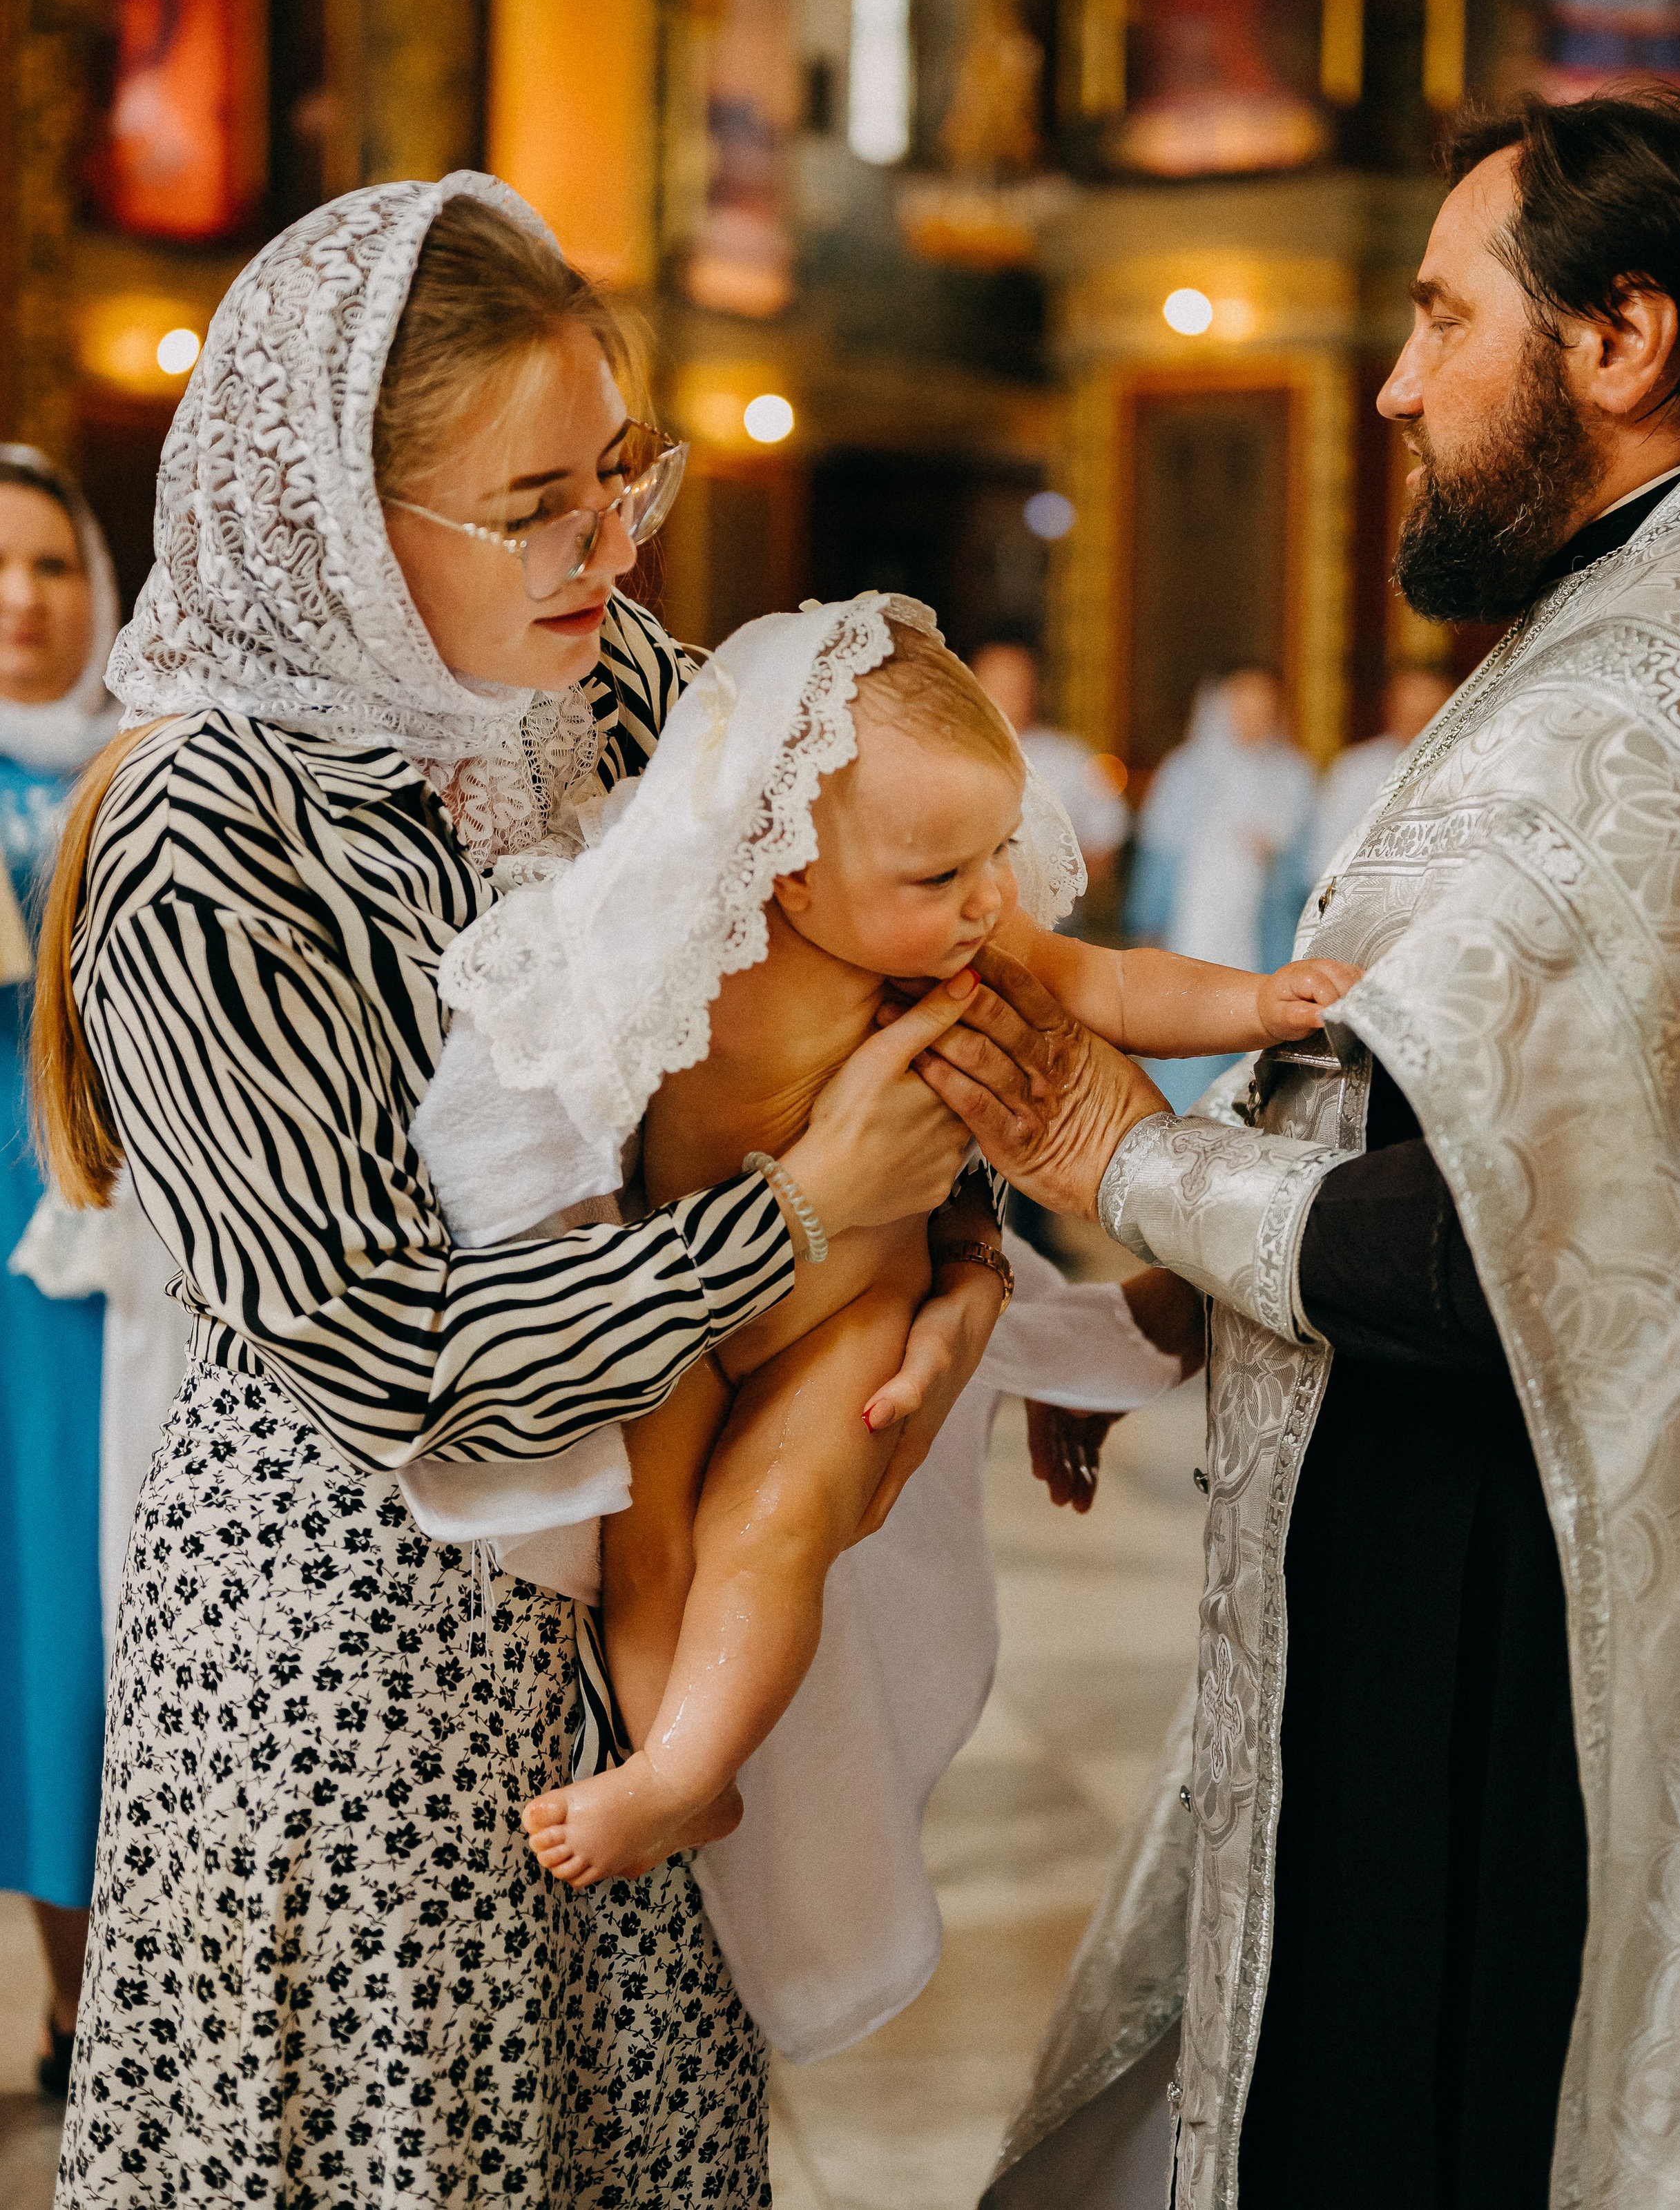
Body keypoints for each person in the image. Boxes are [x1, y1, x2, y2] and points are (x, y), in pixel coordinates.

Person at [35, 176, 1003, 2208]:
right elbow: (388, 1352)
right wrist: (802, 1219)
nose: (610, 546)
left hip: (629, 1599)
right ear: (334, 514)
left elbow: (843, 976)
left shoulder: (631, 698)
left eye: (619, 473)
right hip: (359, 1646)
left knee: (635, 2140)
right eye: (535, 501)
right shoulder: (212, 829)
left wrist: (969, 1257)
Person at [921, 85, 1680, 2210]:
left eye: (1434, 316)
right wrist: (1174, 1297)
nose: (1391, 385)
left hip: (1504, 1616)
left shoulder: (1630, 705)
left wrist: (1118, 1154)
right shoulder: (1642, 627)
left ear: (1619, 336)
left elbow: (1513, 1248)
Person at [410, 594, 1349, 1890]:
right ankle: (655, 1752)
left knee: (771, 1522)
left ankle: (690, 1766)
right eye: (939, 876)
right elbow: (549, 1053)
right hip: (682, 1305)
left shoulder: (951, 947)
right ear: (789, 867)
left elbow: (1120, 986)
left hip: (845, 1324)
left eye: (996, 860)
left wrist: (1255, 1004)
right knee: (648, 1537)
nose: (986, 905)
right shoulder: (687, 941)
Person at [0, 447, 119, 2098]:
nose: (19, 602)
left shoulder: (142, 766)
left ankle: (109, 1989)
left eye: (48, 566)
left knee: (79, 1611)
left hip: (89, 1235)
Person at [1124, 666, 1316, 1112]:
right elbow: (1160, 856)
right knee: (1186, 1030)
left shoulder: (1293, 774)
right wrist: (1150, 927)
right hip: (1194, 930)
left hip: (1267, 931)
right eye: (1242, 706)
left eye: (1263, 708)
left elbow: (1307, 870)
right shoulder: (1186, 771)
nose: (1253, 718)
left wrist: (1273, 857)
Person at [969, 630, 1130, 888]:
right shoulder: (949, 753)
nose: (1004, 700)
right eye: (994, 684)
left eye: (1015, 687)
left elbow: (1105, 841)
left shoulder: (1071, 758)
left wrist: (1051, 880)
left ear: (1035, 688)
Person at [1308, 661, 1455, 875]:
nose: (1419, 725)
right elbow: (1324, 861)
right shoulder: (1355, 770)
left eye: (1429, 715)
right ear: (1390, 706)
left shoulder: (1464, 768)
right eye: (1409, 711)